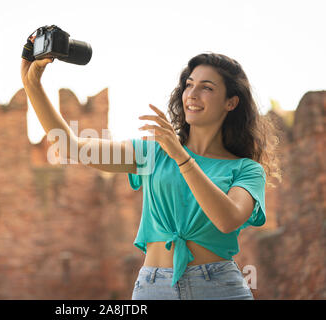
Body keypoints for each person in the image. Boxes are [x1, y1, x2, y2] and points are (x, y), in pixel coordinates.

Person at [21, 41, 281, 300]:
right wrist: (32, 85)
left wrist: (181, 156)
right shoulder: (153, 152)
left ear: (231, 102)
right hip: (155, 286)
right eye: (189, 84)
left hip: (219, 287)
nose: (192, 94)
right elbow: (72, 147)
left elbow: (227, 219)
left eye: (207, 88)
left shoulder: (246, 169)